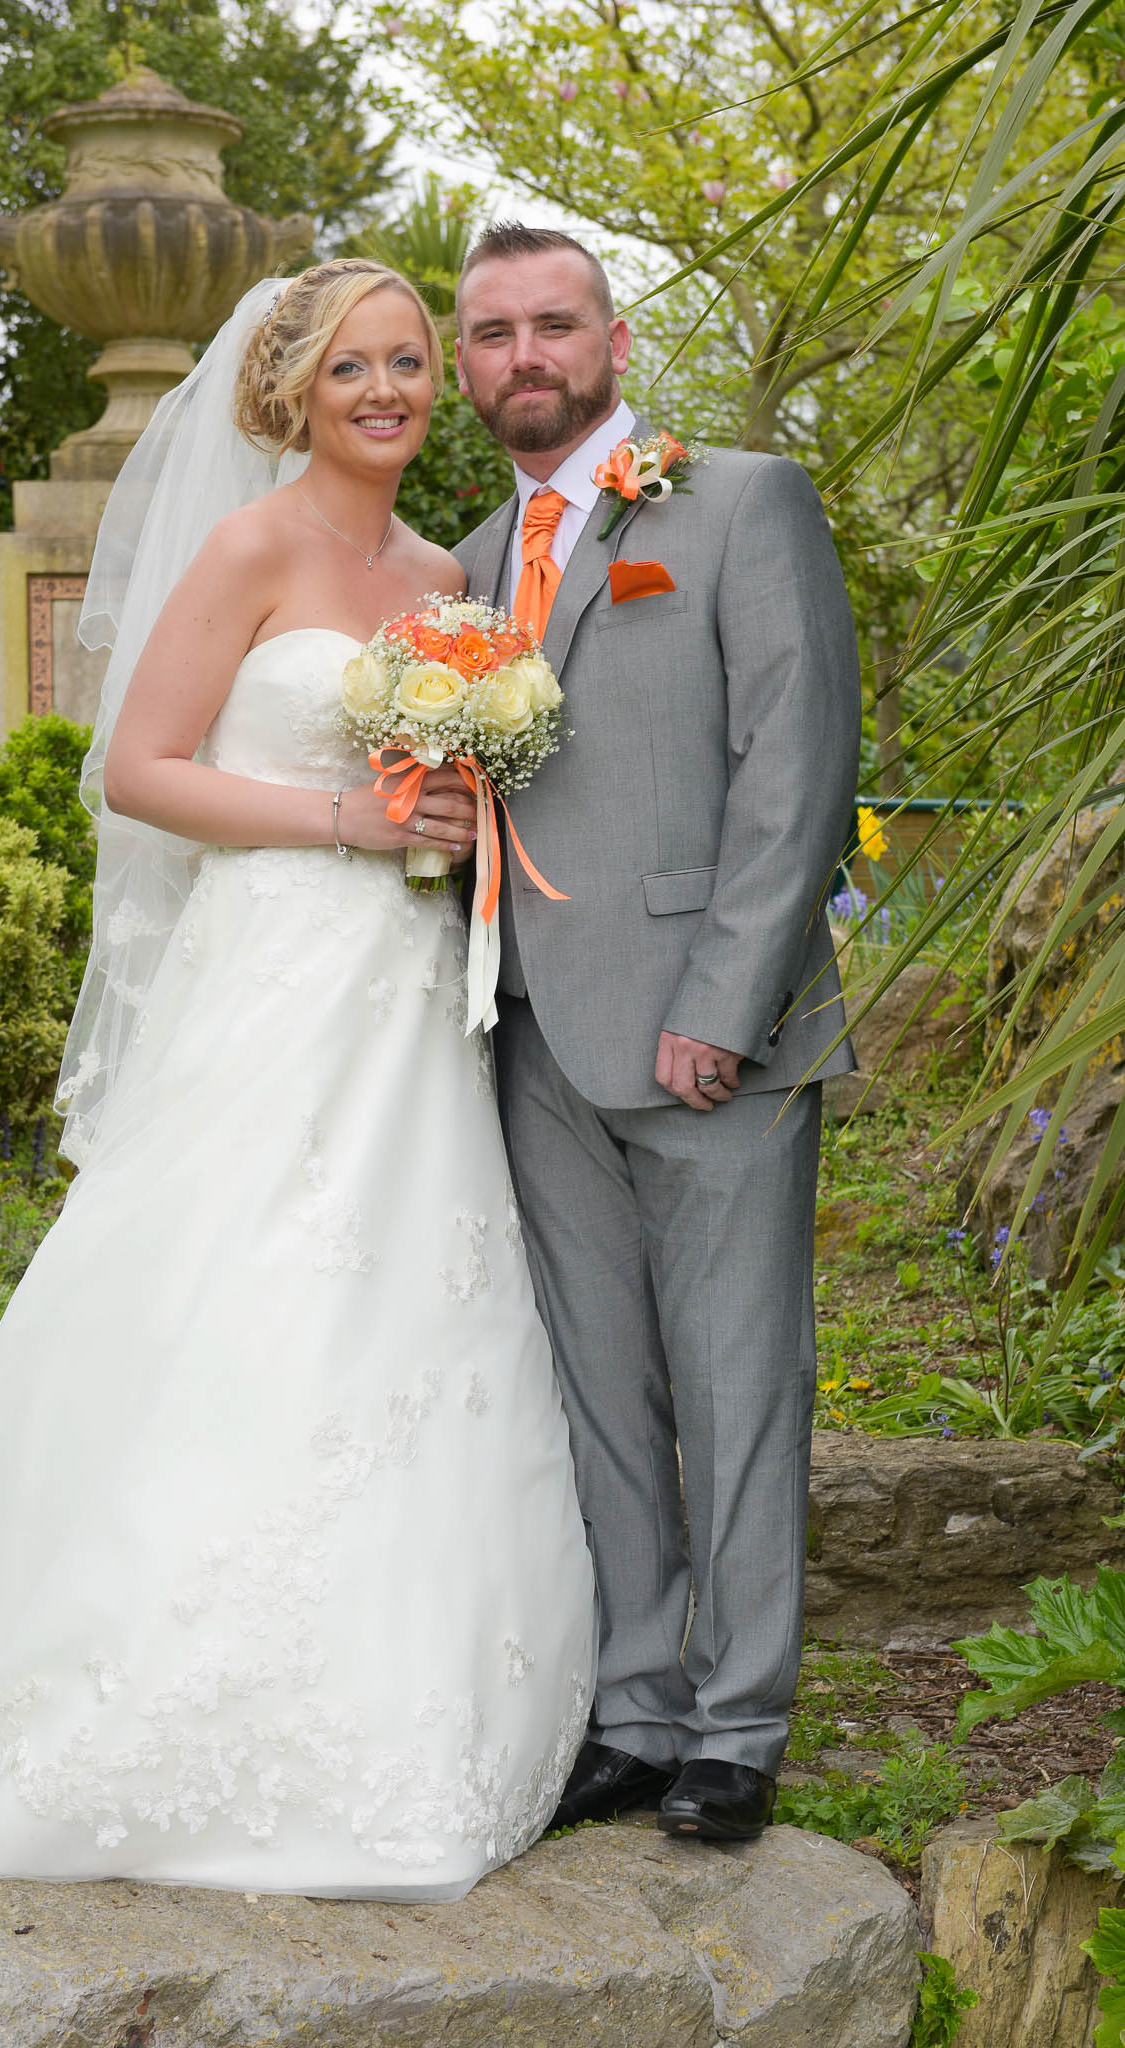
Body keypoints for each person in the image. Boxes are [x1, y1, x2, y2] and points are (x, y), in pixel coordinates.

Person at [0, 258, 596, 1901]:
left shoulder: (448, 579)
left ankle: (410, 1699)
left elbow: (454, 780)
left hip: (407, 999)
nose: (386, 391)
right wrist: (349, 820)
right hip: (269, 979)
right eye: (353, 368)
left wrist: (454, 809)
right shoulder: (250, 546)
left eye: (408, 362)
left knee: (411, 1301)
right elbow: (140, 769)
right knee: (234, 1285)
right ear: (291, 389)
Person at [452, 223, 860, 1843]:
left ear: (613, 343)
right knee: (599, 1393)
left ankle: (738, 1730)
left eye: (555, 324)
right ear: (469, 363)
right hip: (530, 1036)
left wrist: (725, 1005)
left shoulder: (741, 502)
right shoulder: (466, 562)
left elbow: (797, 767)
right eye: (494, 333)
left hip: (709, 1036)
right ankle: (636, 1710)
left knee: (738, 1383)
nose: (526, 357)